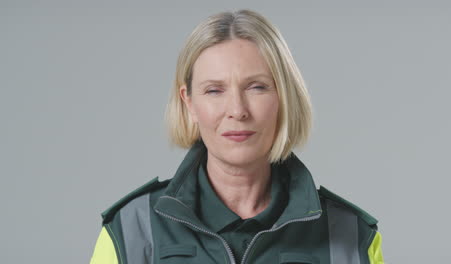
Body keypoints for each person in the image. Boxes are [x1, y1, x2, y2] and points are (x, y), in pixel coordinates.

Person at [90, 9, 385, 264]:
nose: (237, 110)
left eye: (256, 87)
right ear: (189, 103)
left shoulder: (349, 233)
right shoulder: (132, 228)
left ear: (284, 97)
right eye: (214, 90)